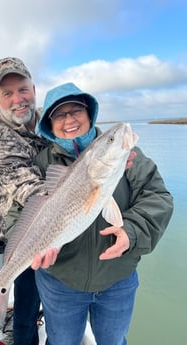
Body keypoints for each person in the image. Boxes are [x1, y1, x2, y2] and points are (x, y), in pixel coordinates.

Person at [30, 82, 174, 345]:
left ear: (89, 113)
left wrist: (131, 232)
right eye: (59, 114)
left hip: (117, 279)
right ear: (49, 125)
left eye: (76, 110)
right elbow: (21, 211)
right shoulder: (41, 165)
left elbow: (158, 197)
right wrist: (37, 244)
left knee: (114, 341)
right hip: (61, 281)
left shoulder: (128, 156)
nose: (69, 119)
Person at [0, 57, 49, 345]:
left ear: (34, 88)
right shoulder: (1, 143)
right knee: (27, 304)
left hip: (57, 231)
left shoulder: (54, 121)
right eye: (7, 93)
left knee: (55, 298)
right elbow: (32, 192)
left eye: (22, 89)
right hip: (22, 235)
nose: (18, 99)